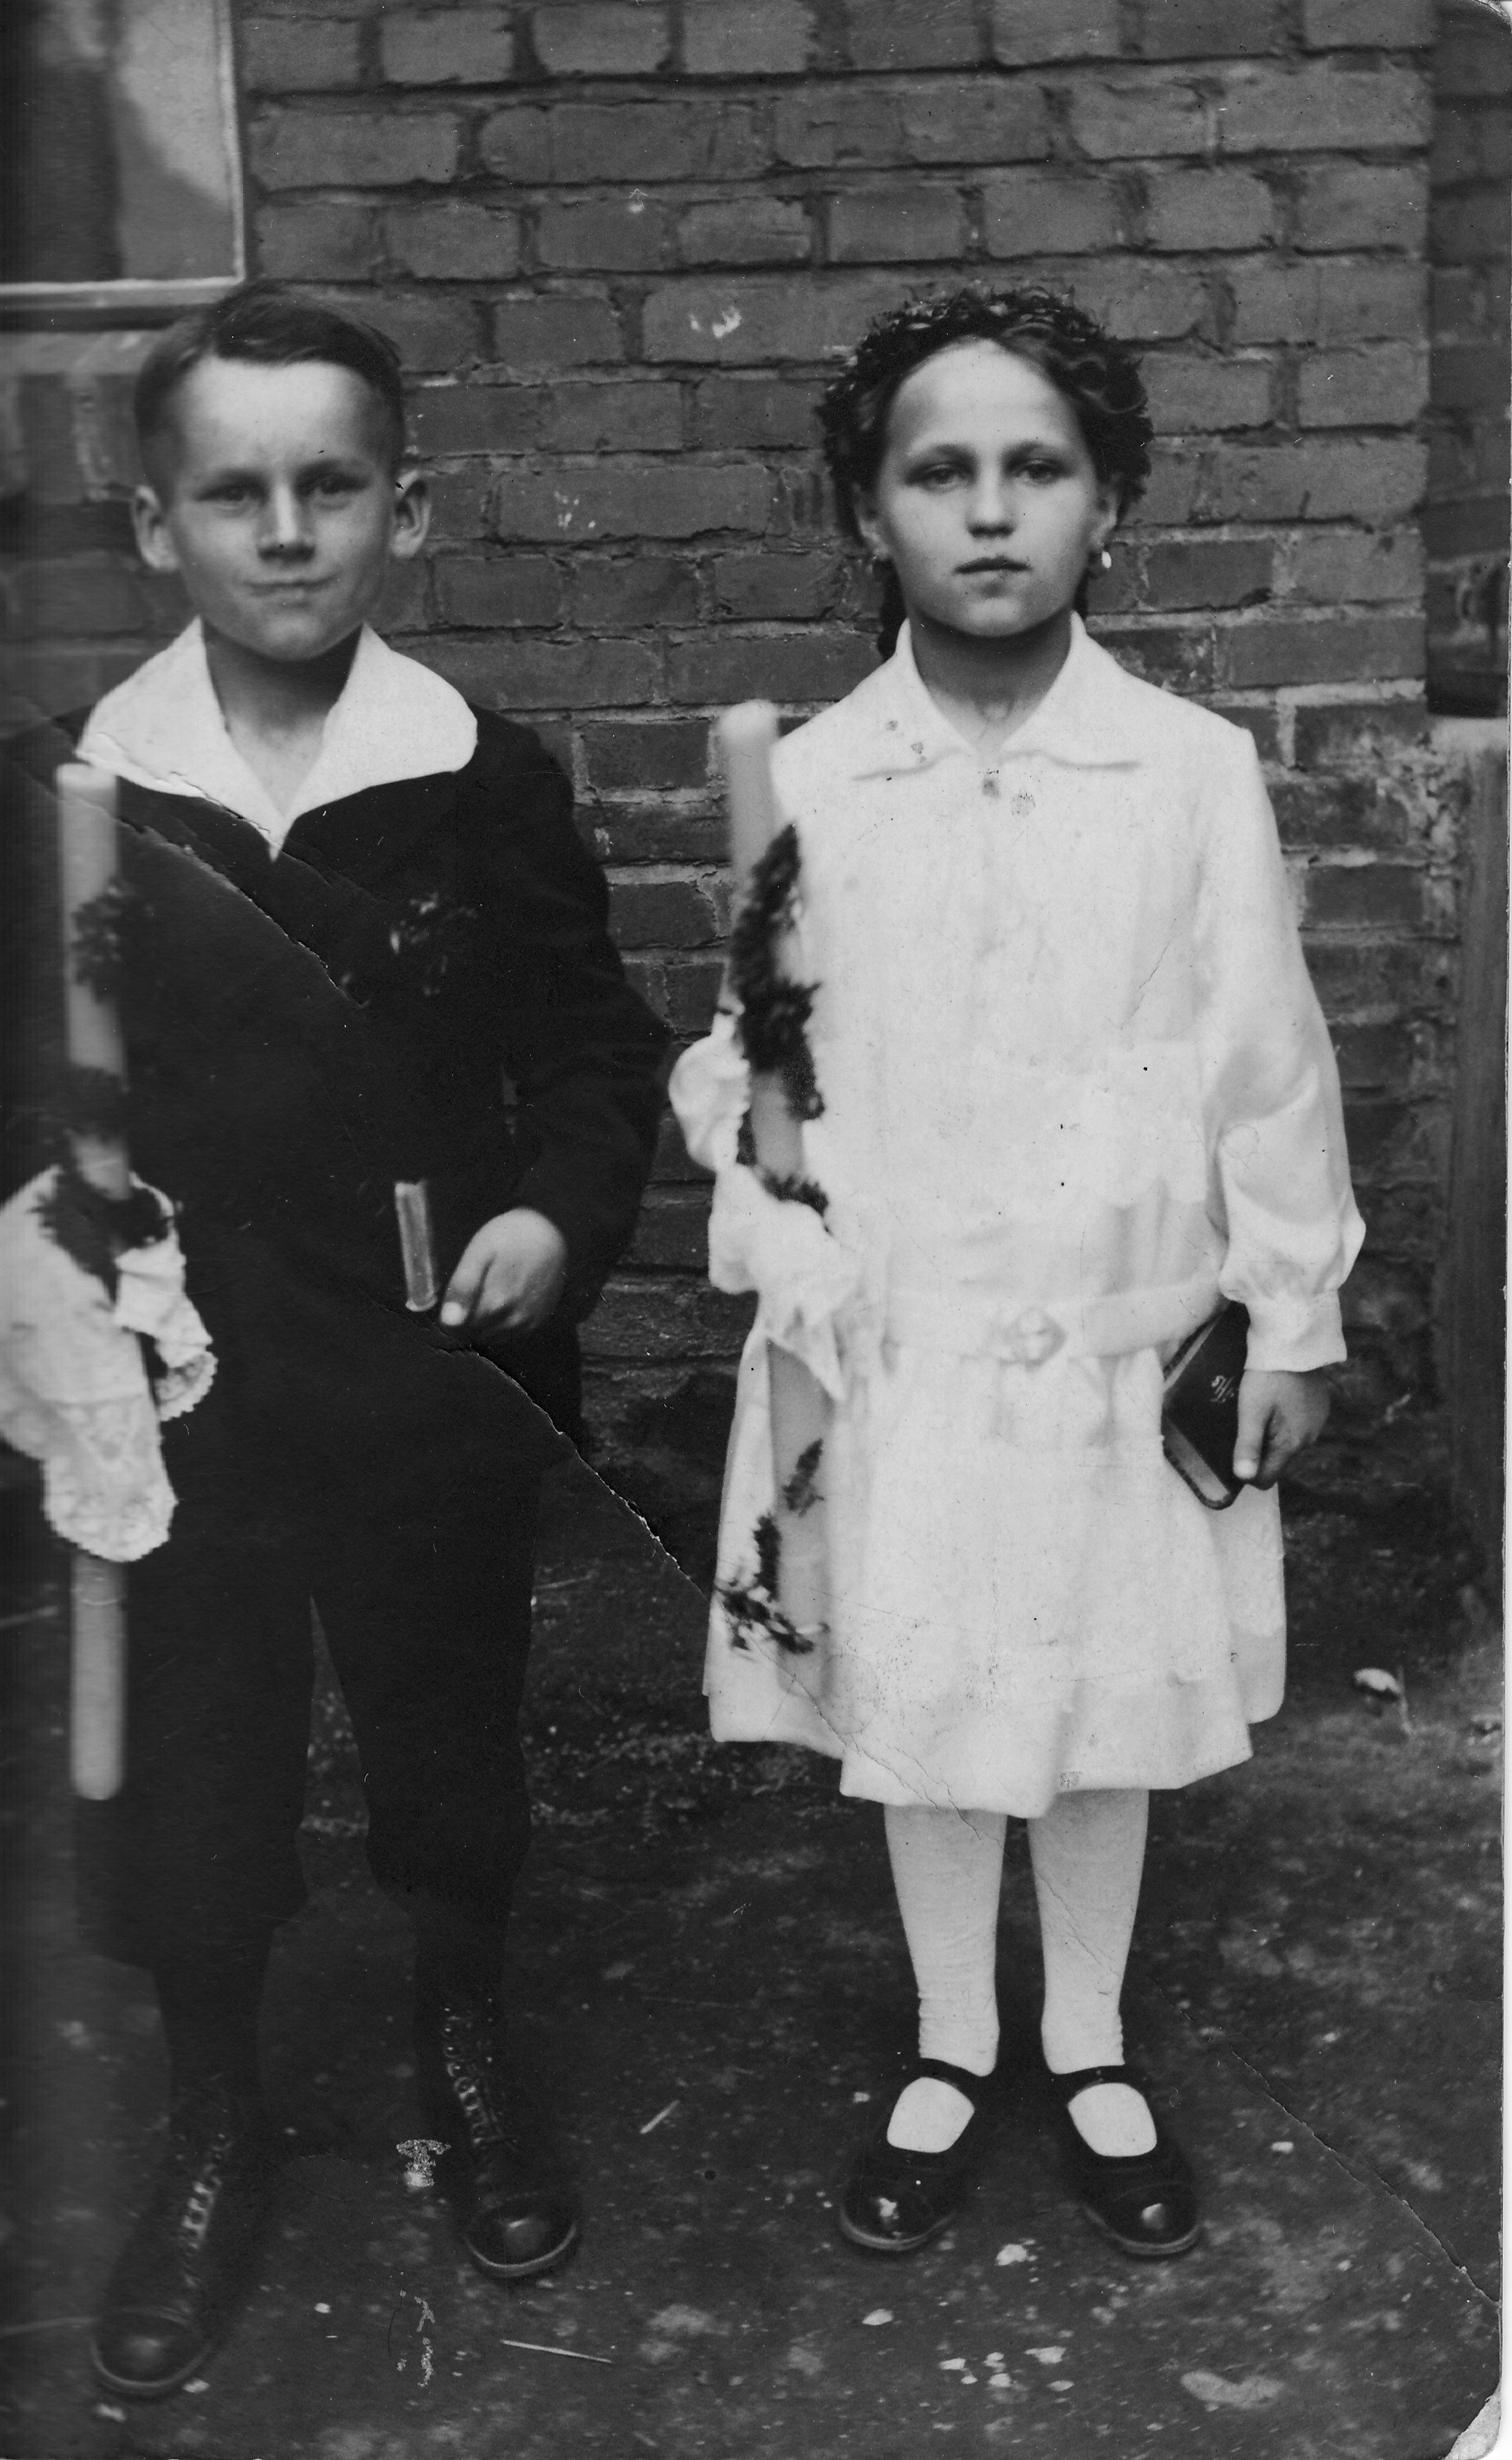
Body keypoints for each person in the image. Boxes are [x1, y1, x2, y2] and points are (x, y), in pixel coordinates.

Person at [6, 282, 668, 2396]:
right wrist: (50, 1252)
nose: (286, 531)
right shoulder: (79, 793)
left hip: (424, 1350)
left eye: (332, 485)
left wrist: (556, 1214)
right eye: (235, 492)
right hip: (186, 1377)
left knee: (446, 1716)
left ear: (409, 506)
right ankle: (210, 2111)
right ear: (155, 524)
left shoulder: (477, 780)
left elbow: (591, 1049)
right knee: (192, 1750)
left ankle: (465, 2034)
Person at [669, 286, 1362, 2263]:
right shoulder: (816, 781)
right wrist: (768, 1180)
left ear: (1108, 504)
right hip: (909, 1347)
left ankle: (1089, 2033)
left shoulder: (1185, 770)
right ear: (868, 511)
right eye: (939, 472)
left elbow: (1266, 1060)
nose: (990, 511)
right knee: (932, 1683)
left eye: (1037, 468)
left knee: (1098, 1692)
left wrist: (1292, 1310)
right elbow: (759, 1059)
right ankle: (954, 2036)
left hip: (1115, 1337)